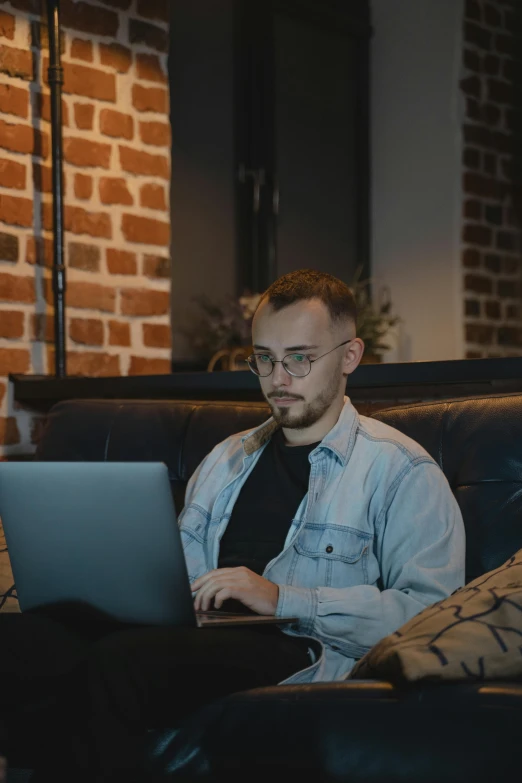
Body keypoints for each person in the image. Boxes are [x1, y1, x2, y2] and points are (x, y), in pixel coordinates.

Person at [0, 269, 465, 782]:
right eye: (264, 358)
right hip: (197, 634)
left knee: (123, 663)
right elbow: (173, 571)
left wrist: (281, 598)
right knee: (22, 641)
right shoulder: (227, 459)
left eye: (299, 358)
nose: (278, 379)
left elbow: (433, 616)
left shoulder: (401, 469)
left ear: (350, 357)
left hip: (297, 649)